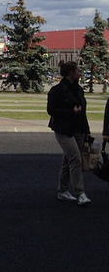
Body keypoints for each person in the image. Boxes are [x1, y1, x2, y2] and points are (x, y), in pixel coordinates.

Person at [47, 61, 91, 206]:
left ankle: (62, 191)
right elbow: (51, 110)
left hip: (78, 128)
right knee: (76, 159)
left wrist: (87, 131)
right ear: (70, 73)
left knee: (68, 160)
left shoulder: (79, 90)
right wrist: (70, 112)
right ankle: (80, 193)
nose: (80, 73)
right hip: (63, 129)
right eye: (78, 70)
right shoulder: (57, 90)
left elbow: (83, 112)